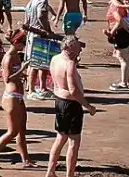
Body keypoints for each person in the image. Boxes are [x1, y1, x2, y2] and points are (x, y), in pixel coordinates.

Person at [45, 36, 96, 177]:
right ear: (69, 48)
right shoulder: (69, 64)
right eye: (77, 47)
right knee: (74, 141)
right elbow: (73, 91)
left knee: (60, 137)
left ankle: (50, 171)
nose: (80, 50)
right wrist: (88, 106)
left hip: (59, 101)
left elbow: (57, 82)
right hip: (71, 104)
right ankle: (70, 174)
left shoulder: (55, 59)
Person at [0, 30, 37, 169]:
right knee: (12, 131)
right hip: (11, 97)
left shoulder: (15, 56)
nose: (24, 46)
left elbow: (14, 75)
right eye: (23, 43)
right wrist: (22, 71)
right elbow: (7, 79)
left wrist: (23, 75)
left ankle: (26, 160)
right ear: (16, 42)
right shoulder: (8, 57)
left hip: (18, 96)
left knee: (21, 129)